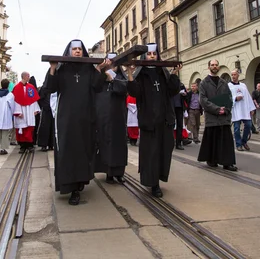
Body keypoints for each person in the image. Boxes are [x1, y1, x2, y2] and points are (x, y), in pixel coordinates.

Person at [46, 39, 110, 205]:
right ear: (69, 51)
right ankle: (70, 187)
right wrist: (52, 68)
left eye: (79, 49)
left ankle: (79, 184)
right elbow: (51, 88)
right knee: (68, 150)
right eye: (74, 49)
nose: (77, 52)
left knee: (83, 150)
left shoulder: (88, 68)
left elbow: (97, 87)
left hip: (85, 117)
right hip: (66, 118)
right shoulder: (62, 68)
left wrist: (100, 70)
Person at [127, 43, 182, 198]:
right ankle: (153, 184)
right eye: (149, 54)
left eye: (154, 54)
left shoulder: (162, 72)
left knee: (164, 151)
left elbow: (172, 90)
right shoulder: (142, 73)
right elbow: (135, 92)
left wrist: (175, 73)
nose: (152, 56)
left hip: (164, 121)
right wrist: (130, 74)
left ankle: (159, 178)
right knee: (151, 153)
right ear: (145, 56)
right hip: (149, 122)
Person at [197, 59, 237, 171]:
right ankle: (212, 160)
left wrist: (226, 109)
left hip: (224, 117)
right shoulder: (204, 83)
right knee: (212, 140)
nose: (214, 66)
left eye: (216, 65)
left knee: (226, 141)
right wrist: (217, 109)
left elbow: (229, 98)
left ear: (218, 67)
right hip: (212, 117)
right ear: (208, 67)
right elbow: (203, 100)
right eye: (212, 65)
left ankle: (227, 163)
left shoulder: (224, 82)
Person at [95, 53, 128, 184]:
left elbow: (124, 88)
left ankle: (119, 173)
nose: (112, 66)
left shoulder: (120, 76)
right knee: (106, 142)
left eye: (114, 64)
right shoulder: (101, 76)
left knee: (119, 143)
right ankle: (108, 172)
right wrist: (103, 74)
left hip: (118, 115)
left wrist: (112, 79)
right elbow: (95, 86)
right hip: (103, 115)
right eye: (109, 63)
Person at [12, 72, 41, 153]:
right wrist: (18, 112)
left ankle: (29, 145)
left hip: (29, 110)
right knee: (21, 128)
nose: (29, 77)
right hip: (21, 110)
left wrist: (36, 109)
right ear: (24, 77)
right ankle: (22, 146)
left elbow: (34, 100)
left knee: (29, 128)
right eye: (28, 76)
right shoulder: (17, 87)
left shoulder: (31, 87)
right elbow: (15, 101)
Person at [229, 69, 256, 152]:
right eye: (232, 75)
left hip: (244, 109)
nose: (233, 76)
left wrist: (251, 108)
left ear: (238, 75)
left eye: (235, 74)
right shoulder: (228, 86)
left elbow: (248, 96)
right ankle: (238, 144)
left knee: (248, 125)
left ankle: (244, 141)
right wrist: (235, 98)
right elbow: (227, 97)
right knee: (236, 128)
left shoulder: (243, 85)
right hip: (236, 110)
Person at [0, 79, 15, 155]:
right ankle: (3, 149)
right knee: (5, 132)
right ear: (8, 86)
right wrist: (12, 113)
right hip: (5, 115)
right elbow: (12, 106)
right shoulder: (10, 95)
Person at [37, 83, 55, 152]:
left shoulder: (55, 87)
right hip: (46, 110)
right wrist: (45, 106)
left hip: (54, 110)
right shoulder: (44, 88)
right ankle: (43, 145)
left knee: (52, 127)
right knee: (45, 127)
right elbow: (40, 99)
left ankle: (51, 144)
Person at [172, 84, 187, 150]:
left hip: (180, 107)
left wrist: (184, 94)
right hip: (171, 107)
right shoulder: (169, 83)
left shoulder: (181, 85)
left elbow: (186, 95)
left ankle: (179, 143)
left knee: (180, 125)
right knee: (171, 125)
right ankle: (171, 142)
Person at [29, 76, 41, 147]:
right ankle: (34, 140)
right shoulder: (37, 91)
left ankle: (29, 141)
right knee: (35, 126)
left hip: (29, 111)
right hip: (36, 111)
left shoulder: (29, 90)